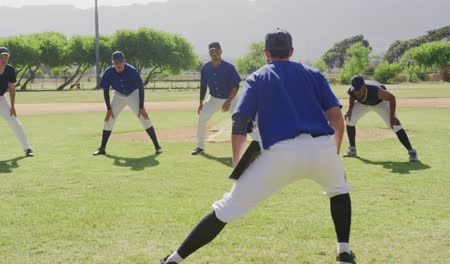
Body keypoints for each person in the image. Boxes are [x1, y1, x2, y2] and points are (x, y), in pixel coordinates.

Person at [160, 29, 356, 264]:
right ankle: (343, 252)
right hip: (322, 147)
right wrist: (331, 154)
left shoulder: (257, 77)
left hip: (279, 155)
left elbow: (240, 122)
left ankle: (173, 260)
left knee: (225, 210)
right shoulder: (313, 74)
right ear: (292, 51)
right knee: (339, 190)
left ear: (266, 53)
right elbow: (335, 117)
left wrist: (237, 163)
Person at [93, 51, 162, 156]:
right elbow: (106, 90)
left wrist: (141, 107)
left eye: (121, 61)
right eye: (116, 62)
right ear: (113, 63)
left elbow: (141, 88)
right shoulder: (108, 72)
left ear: (124, 61)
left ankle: (157, 146)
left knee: (144, 118)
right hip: (118, 95)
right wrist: (109, 109)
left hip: (133, 94)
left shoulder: (132, 71)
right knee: (109, 119)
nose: (119, 64)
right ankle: (102, 148)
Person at [343, 75, 419, 162]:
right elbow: (352, 97)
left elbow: (391, 98)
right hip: (363, 104)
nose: (356, 92)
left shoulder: (376, 91)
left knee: (395, 125)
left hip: (380, 103)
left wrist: (392, 116)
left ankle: (412, 152)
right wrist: (349, 109)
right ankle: (352, 149)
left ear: (363, 86)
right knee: (349, 119)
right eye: (354, 89)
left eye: (358, 89)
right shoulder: (352, 91)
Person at [191, 42, 242, 155]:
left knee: (241, 120)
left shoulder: (229, 67)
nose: (214, 53)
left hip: (231, 98)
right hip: (214, 98)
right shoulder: (205, 68)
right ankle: (200, 146)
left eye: (216, 51)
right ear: (209, 53)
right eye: (211, 51)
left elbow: (236, 86)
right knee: (202, 117)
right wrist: (201, 102)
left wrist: (228, 102)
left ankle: (256, 143)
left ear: (220, 52)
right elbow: (203, 86)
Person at [0, 47, 34, 157]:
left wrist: (13, 106)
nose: (4, 59)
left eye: (6, 57)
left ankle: (27, 148)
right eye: (1, 57)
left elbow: (12, 88)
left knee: (15, 123)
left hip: (1, 99)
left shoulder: (10, 70)